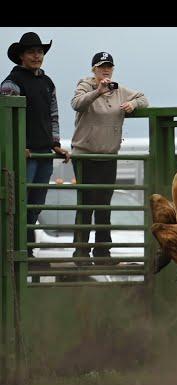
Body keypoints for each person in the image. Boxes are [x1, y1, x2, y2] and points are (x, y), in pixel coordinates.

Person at [70, 51, 149, 265]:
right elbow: (76, 104)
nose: (106, 70)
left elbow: (143, 98)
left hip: (108, 156)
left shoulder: (119, 90)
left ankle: (103, 254)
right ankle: (81, 254)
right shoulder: (85, 86)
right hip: (85, 155)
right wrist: (98, 91)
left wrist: (133, 105)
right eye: (101, 66)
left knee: (104, 207)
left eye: (109, 66)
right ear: (93, 70)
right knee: (86, 206)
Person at [1, 32, 71, 268]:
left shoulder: (47, 82)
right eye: (31, 51)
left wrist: (55, 144)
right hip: (24, 154)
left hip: (42, 153)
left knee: (35, 205)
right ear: (21, 56)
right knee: (21, 203)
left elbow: (53, 115)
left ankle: (26, 253)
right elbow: (5, 119)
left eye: (40, 51)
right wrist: (17, 146)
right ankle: (18, 254)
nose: (37, 55)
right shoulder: (11, 83)